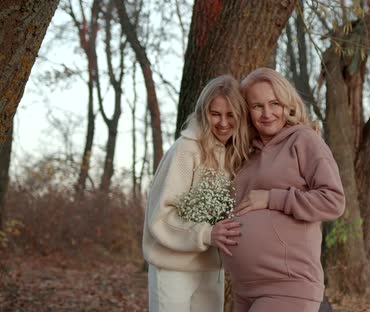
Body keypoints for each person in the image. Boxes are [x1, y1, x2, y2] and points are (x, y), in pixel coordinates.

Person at [223, 68, 346, 312]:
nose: (267, 113)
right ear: (246, 111)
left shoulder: (304, 140)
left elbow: (333, 200)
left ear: (287, 104)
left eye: (274, 103)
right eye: (257, 106)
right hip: (244, 289)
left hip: (288, 285)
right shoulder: (245, 152)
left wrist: (273, 198)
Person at [143, 75, 249, 312]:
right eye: (215, 114)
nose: (223, 123)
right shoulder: (185, 150)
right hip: (173, 266)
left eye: (231, 115)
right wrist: (206, 234)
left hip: (211, 267)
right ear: (203, 113)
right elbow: (159, 217)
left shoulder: (235, 154)